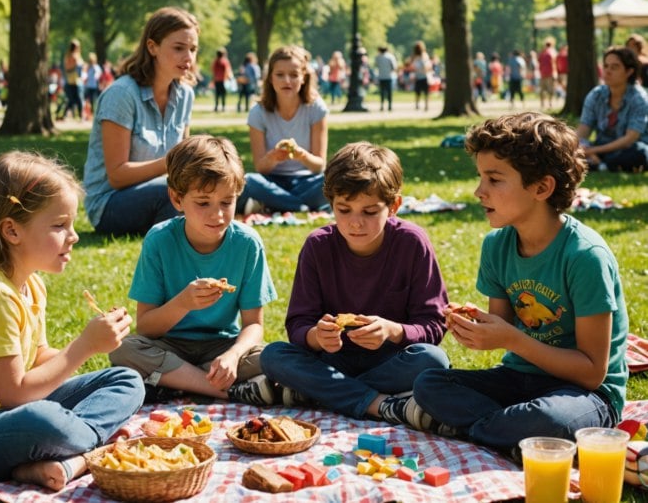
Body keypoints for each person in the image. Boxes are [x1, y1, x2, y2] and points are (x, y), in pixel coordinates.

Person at [392, 112, 628, 463]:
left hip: (584, 395)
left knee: (549, 419)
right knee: (430, 384)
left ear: (541, 188)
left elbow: (593, 372)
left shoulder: (585, 256)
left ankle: (486, 430)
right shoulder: (497, 246)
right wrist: (475, 325)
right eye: (480, 177)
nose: (479, 191)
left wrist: (510, 339)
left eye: (494, 179)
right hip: (519, 380)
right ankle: (506, 434)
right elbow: (503, 327)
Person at [0, 151, 145, 490]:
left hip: (3, 418)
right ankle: (85, 452)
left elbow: (37, 357)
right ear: (12, 231)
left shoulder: (30, 283)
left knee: (126, 380)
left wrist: (92, 346)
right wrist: (82, 347)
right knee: (42, 420)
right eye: (59, 225)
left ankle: (65, 449)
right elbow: (15, 396)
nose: (74, 235)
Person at [259, 142, 450, 422]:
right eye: (344, 209)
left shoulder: (412, 243)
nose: (355, 223)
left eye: (370, 212)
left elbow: (434, 324)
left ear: (394, 205)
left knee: (433, 360)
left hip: (391, 359)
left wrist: (392, 331)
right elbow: (298, 325)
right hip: (333, 360)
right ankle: (380, 404)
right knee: (273, 356)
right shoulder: (318, 246)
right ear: (331, 204)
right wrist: (317, 336)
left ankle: (317, 392)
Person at [109, 135, 279, 406]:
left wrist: (233, 356)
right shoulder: (160, 240)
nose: (218, 215)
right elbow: (147, 327)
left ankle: (173, 384)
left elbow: (254, 325)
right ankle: (226, 391)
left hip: (221, 349)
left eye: (227, 202)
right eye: (203, 203)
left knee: (280, 356)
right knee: (122, 347)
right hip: (169, 346)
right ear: (177, 198)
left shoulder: (247, 243)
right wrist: (183, 303)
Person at [83, 7, 199, 237]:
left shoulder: (185, 94)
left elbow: (182, 162)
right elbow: (117, 176)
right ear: (152, 47)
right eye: (178, 48)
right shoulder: (122, 94)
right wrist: (172, 163)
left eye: (193, 49)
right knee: (177, 196)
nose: (188, 58)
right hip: (110, 204)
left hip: (163, 192)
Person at [237, 45, 329, 214]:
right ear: (270, 78)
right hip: (272, 181)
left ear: (303, 78)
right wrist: (273, 157)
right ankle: (301, 207)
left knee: (333, 180)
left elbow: (319, 166)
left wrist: (302, 155)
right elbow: (260, 168)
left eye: (294, 75)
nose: (287, 81)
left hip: (307, 181)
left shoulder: (316, 108)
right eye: (280, 75)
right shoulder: (258, 112)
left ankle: (277, 204)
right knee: (248, 181)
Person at [577, 45, 648, 173]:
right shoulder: (596, 94)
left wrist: (592, 151)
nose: (607, 71)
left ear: (629, 72)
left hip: (628, 148)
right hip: (602, 147)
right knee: (574, 149)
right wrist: (579, 147)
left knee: (640, 153)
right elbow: (583, 130)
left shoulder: (639, 98)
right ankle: (600, 164)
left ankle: (598, 164)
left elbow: (629, 139)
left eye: (614, 67)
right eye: (605, 66)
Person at [57, 39, 84, 121]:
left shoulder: (77, 55)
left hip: (77, 80)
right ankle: (64, 115)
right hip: (71, 81)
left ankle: (79, 116)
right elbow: (68, 68)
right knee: (73, 100)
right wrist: (75, 64)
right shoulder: (70, 56)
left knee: (77, 99)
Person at [374, 46, 397, 111]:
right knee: (389, 92)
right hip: (389, 76)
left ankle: (382, 105)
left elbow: (376, 65)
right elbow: (394, 67)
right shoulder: (390, 57)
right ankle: (390, 105)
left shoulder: (378, 57)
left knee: (382, 92)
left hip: (381, 76)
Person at [411, 41, 431, 111]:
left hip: (422, 76)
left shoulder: (420, 56)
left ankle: (420, 105)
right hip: (421, 76)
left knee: (419, 92)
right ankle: (423, 105)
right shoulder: (421, 56)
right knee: (423, 92)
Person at [538, 38, 557, 109]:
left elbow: (539, 62)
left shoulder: (542, 52)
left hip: (543, 74)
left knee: (542, 90)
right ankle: (550, 103)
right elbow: (554, 63)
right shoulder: (553, 52)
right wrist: (555, 73)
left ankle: (542, 103)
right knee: (550, 90)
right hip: (550, 74)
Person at [212, 47, 232, 112]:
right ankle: (223, 107)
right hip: (223, 80)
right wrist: (229, 78)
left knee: (217, 94)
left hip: (217, 80)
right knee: (223, 94)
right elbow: (227, 70)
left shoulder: (215, 61)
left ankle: (216, 107)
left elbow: (213, 70)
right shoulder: (225, 61)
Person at [83, 52, 103, 120]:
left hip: (94, 86)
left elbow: (98, 75)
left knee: (94, 100)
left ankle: (94, 113)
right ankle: (89, 114)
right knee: (88, 101)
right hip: (88, 86)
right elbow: (85, 75)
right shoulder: (88, 67)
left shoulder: (96, 67)